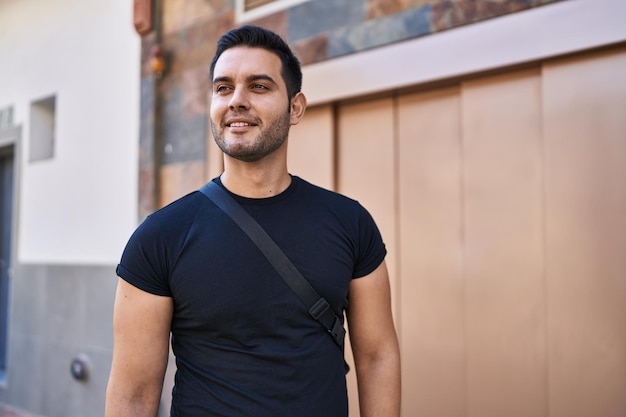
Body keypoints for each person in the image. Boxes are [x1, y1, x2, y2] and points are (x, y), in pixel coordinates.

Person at [105, 25, 401, 417]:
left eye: (258, 86)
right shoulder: (160, 237)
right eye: (223, 88)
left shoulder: (350, 224)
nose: (236, 101)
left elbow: (378, 356)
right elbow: (134, 394)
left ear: (295, 107)